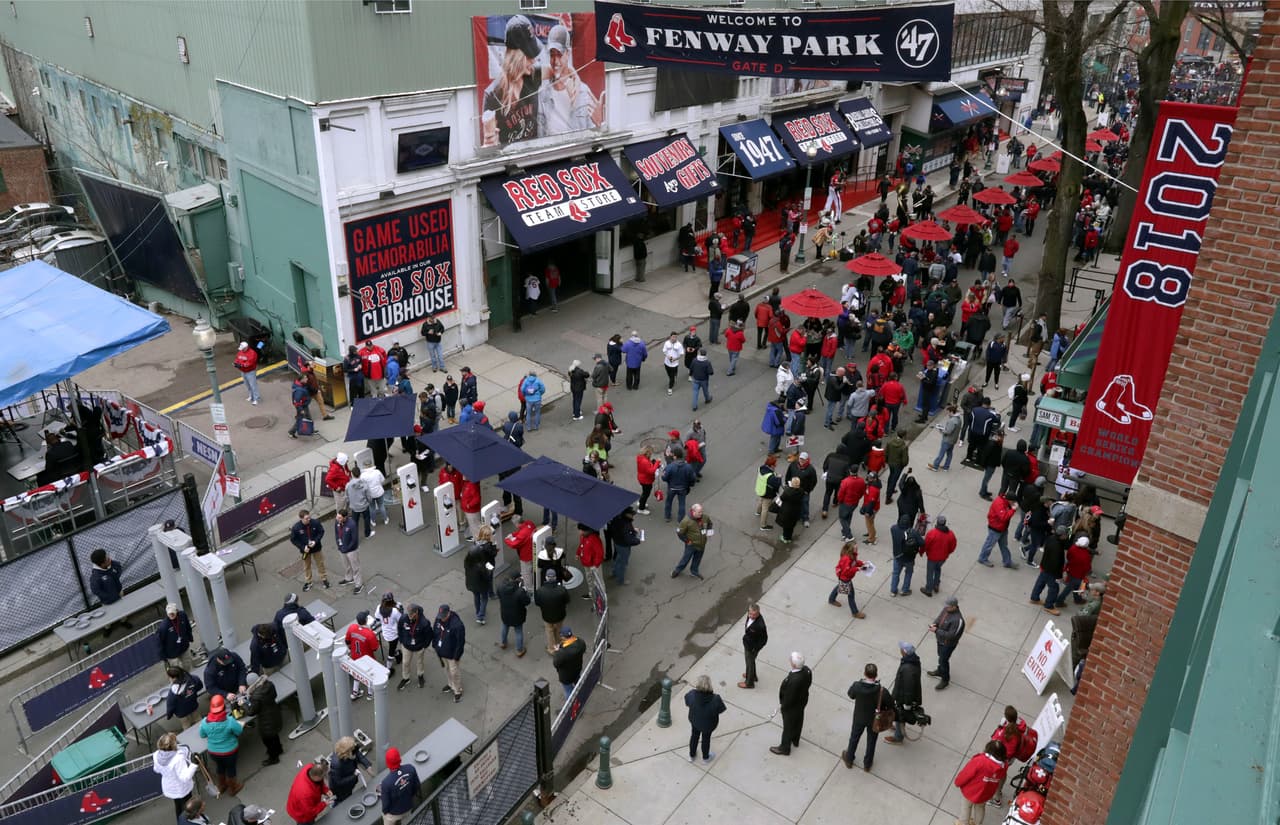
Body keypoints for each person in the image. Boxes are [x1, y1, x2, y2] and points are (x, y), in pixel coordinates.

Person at [842, 663, 893, 772]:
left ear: (865, 673)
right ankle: (867, 764)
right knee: (871, 741)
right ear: (876, 675)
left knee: (854, 738)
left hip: (859, 718)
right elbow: (891, 704)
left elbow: (851, 695)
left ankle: (849, 759)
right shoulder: (881, 691)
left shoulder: (857, 686)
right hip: (874, 720)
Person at [954, 740, 1010, 825]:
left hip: (971, 790)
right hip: (986, 793)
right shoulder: (1004, 765)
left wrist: (958, 782)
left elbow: (966, 774)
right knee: (980, 808)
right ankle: (977, 823)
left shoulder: (980, 761)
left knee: (966, 808)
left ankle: (963, 823)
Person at [199, 694, 243, 795]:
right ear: (223, 707)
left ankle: (222, 786)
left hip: (214, 752)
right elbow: (239, 731)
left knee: (220, 767)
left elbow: (202, 735)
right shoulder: (230, 721)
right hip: (230, 751)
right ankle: (233, 788)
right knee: (231, 769)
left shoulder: (205, 722)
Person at [769, 652, 812, 755]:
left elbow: (789, 697)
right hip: (801, 702)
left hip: (791, 707)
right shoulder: (807, 671)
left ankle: (784, 748)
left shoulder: (794, 680)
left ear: (793, 665)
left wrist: (783, 706)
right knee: (799, 719)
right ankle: (795, 739)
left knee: (788, 726)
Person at [682, 674, 727, 764]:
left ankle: (692, 755)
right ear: (709, 686)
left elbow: (687, 702)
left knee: (694, 736)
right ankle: (705, 758)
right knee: (706, 738)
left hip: (694, 721)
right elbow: (721, 709)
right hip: (709, 725)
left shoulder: (691, 695)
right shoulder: (715, 699)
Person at [884, 641, 923, 744]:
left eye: (901, 649)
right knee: (898, 714)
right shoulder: (912, 660)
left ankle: (898, 737)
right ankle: (897, 729)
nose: (900, 650)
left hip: (903, 698)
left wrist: (907, 703)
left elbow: (909, 688)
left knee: (900, 715)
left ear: (904, 652)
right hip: (903, 695)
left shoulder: (908, 668)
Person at [153, 731, 199, 817]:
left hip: (169, 786)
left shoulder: (156, 755)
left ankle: (181, 821)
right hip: (181, 787)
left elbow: (156, 770)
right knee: (188, 806)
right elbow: (185, 777)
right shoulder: (178, 759)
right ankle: (190, 821)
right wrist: (194, 765)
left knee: (178, 806)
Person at [394, 603, 433, 691]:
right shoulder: (404, 618)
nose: (410, 616)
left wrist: (424, 646)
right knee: (405, 662)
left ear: (417, 612)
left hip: (419, 647)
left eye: (412, 614)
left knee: (420, 662)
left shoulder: (424, 622)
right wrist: (402, 641)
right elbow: (399, 628)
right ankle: (406, 678)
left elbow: (429, 635)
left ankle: (420, 675)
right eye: (408, 614)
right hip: (406, 646)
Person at [929, 596, 965, 690]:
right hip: (940, 640)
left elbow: (951, 636)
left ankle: (945, 679)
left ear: (954, 606)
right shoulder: (946, 609)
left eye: (948, 607)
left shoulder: (958, 620)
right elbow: (939, 618)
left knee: (943, 660)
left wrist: (936, 630)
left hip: (947, 644)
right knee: (940, 656)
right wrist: (935, 624)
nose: (946, 608)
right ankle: (940, 670)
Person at [464, 527, 499, 625]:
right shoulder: (488, 547)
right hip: (483, 579)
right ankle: (480, 615)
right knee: (484, 597)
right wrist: (494, 545)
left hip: (472, 583)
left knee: (476, 596)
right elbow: (493, 554)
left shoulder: (468, 562)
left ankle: (478, 611)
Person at [289, 509, 329, 592]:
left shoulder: (315, 523)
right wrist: (302, 547)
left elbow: (321, 532)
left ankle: (324, 578)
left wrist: (315, 541)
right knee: (307, 566)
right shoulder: (296, 528)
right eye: (306, 518)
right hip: (306, 551)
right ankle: (308, 581)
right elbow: (293, 539)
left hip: (316, 548)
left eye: (309, 517)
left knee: (320, 563)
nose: (309, 520)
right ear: (301, 519)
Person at [380, 747, 421, 825]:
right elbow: (416, 786)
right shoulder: (410, 768)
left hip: (393, 814)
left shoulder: (386, 783)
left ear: (387, 763)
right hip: (408, 807)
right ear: (399, 759)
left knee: (387, 818)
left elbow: (385, 804)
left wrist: (385, 812)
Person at [433, 604, 466, 703]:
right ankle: (450, 684)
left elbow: (460, 642)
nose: (441, 619)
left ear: (448, 613)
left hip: (452, 655)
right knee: (446, 670)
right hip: (441, 652)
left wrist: (456, 656)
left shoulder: (457, 625)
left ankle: (457, 690)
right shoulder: (439, 619)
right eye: (440, 616)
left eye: (443, 616)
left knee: (454, 672)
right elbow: (435, 631)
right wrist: (435, 645)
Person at [328, 735, 374, 804]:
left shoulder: (351, 750)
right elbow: (338, 782)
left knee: (349, 795)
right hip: (341, 790)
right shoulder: (337, 764)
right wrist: (354, 776)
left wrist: (367, 766)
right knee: (343, 801)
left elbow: (358, 754)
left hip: (349, 783)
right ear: (347, 752)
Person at [978, 492, 1019, 569]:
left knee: (1004, 546)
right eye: (1013, 502)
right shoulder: (999, 503)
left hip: (1002, 528)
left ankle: (1007, 562)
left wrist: (1011, 508)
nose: (1014, 503)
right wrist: (1013, 510)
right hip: (995, 528)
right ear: (1009, 500)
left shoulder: (1005, 501)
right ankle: (982, 558)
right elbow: (1003, 517)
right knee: (989, 545)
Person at [534, 569, 570, 655]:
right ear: (555, 578)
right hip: (559, 616)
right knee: (559, 630)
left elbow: (537, 603)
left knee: (549, 631)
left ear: (546, 578)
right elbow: (567, 600)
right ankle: (559, 644)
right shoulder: (561, 589)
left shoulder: (540, 591)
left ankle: (552, 648)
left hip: (547, 616)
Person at [671, 503, 712, 579]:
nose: (701, 513)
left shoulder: (705, 517)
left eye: (701, 511)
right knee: (686, 558)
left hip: (702, 544)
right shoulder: (686, 521)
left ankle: (694, 571)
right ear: (693, 511)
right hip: (691, 545)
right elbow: (680, 533)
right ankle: (677, 570)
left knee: (697, 559)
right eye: (699, 512)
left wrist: (709, 532)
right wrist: (687, 541)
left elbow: (710, 524)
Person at [829, 540, 868, 618]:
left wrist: (862, 563)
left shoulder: (852, 555)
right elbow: (847, 571)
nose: (857, 549)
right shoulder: (846, 559)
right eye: (855, 548)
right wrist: (858, 569)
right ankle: (855, 612)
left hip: (845, 578)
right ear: (851, 549)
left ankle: (831, 599)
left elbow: (855, 562)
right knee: (851, 595)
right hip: (845, 578)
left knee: (840, 586)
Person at [345, 612, 379, 699]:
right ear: (366, 620)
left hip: (355, 656)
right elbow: (375, 648)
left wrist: (351, 649)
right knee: (369, 675)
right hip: (367, 658)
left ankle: (355, 693)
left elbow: (347, 641)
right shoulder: (370, 634)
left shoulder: (352, 627)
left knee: (357, 673)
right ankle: (370, 694)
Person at [921, 515, 957, 597]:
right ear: (945, 523)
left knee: (930, 573)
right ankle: (936, 585)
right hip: (943, 558)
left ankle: (928, 590)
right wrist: (948, 553)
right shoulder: (951, 534)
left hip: (932, 558)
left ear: (937, 522)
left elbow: (925, 544)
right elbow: (953, 546)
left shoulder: (932, 533)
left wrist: (922, 552)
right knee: (938, 569)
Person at [890, 517, 923, 597]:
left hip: (897, 556)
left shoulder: (893, 529)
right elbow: (922, 543)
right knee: (908, 573)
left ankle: (893, 591)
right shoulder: (913, 532)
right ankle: (905, 590)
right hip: (909, 558)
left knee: (895, 573)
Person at [607, 507, 641, 585]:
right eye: (631, 514)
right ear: (626, 514)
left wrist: (633, 530)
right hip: (624, 545)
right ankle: (621, 580)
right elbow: (628, 539)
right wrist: (638, 541)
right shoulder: (625, 524)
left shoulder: (618, 519)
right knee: (623, 563)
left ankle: (614, 572)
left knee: (619, 558)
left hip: (617, 543)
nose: (633, 516)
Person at [156, 602, 195, 669]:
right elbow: (160, 643)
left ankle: (187, 678)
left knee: (187, 666)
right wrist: (164, 657)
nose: (171, 615)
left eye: (172, 613)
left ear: (176, 610)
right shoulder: (163, 627)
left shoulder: (182, 615)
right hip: (171, 653)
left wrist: (190, 637)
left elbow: (188, 626)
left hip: (184, 647)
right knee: (177, 671)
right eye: (169, 613)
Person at [552, 626, 587, 700]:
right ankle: (582, 694)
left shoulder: (562, 653)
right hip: (577, 669)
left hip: (566, 676)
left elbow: (556, 663)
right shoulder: (580, 642)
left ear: (563, 637)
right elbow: (583, 649)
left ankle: (572, 707)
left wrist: (557, 651)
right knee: (578, 682)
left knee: (568, 691)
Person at [928, 405, 962, 471]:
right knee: (949, 454)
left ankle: (935, 466)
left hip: (947, 440)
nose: (948, 414)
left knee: (941, 454)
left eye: (948, 412)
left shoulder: (952, 421)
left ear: (952, 412)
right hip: (953, 440)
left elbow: (948, 432)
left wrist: (941, 429)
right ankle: (946, 467)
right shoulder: (959, 419)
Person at [360, 463, 390, 528]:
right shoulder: (377, 471)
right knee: (381, 506)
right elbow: (383, 480)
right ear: (371, 465)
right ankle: (385, 519)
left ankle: (373, 521)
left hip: (370, 494)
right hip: (379, 492)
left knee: (372, 508)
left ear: (365, 466)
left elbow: (362, 486)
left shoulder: (363, 475)